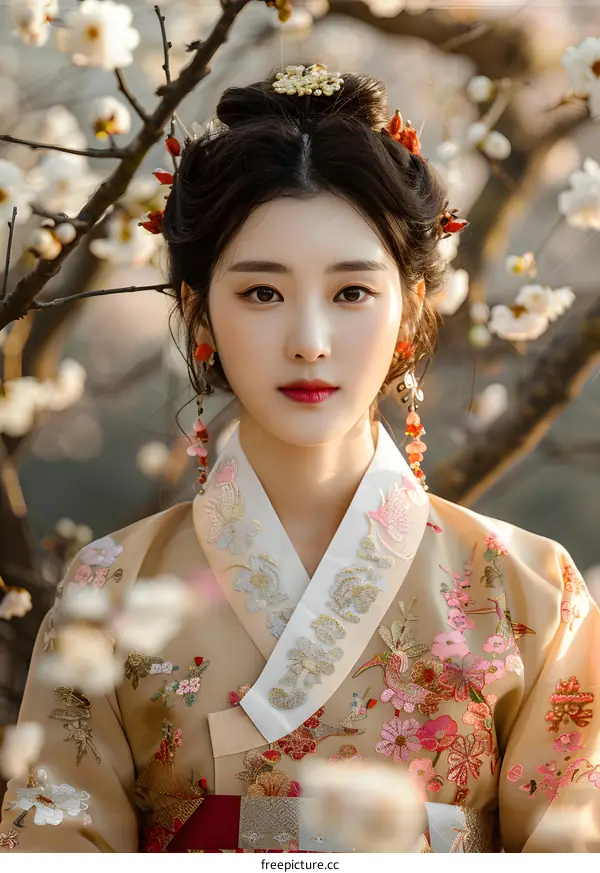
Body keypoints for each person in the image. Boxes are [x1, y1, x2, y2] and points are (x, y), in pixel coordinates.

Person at [1, 63, 599, 854]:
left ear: (412, 311)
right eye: (261, 293)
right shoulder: (112, 588)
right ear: (198, 312)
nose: (309, 340)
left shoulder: (526, 589)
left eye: (351, 293)